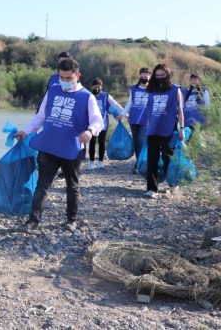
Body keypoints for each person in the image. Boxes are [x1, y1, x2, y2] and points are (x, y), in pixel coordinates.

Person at [14, 54, 103, 232]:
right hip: (49, 146)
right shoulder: (53, 90)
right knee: (43, 184)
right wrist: (26, 130)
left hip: (72, 148)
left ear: (77, 76)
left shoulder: (87, 97)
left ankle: (71, 220)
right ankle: (33, 221)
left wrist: (89, 131)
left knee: (72, 185)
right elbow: (41, 116)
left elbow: (98, 122)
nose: (64, 81)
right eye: (61, 77)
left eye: (68, 78)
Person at [143, 63, 185, 198]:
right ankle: (152, 188)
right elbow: (148, 112)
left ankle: (172, 183)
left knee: (168, 158)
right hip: (153, 129)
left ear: (168, 75)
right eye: (157, 75)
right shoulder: (150, 91)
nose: (160, 77)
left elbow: (180, 110)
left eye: (162, 75)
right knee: (152, 159)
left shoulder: (175, 89)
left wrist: (182, 129)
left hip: (169, 129)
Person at [116, 67, 152, 174]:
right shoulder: (133, 88)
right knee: (136, 143)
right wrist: (122, 114)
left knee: (141, 142)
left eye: (146, 77)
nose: (144, 78)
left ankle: (140, 165)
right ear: (139, 75)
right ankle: (138, 163)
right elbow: (130, 103)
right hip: (134, 119)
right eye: (143, 76)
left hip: (145, 120)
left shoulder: (152, 89)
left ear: (150, 77)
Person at [87, 78, 124, 170]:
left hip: (103, 122)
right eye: (95, 87)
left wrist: (125, 113)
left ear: (101, 87)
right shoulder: (89, 96)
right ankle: (91, 162)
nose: (97, 89)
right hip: (91, 122)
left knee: (101, 142)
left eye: (98, 87)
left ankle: (100, 162)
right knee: (92, 141)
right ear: (92, 87)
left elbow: (115, 105)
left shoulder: (106, 96)